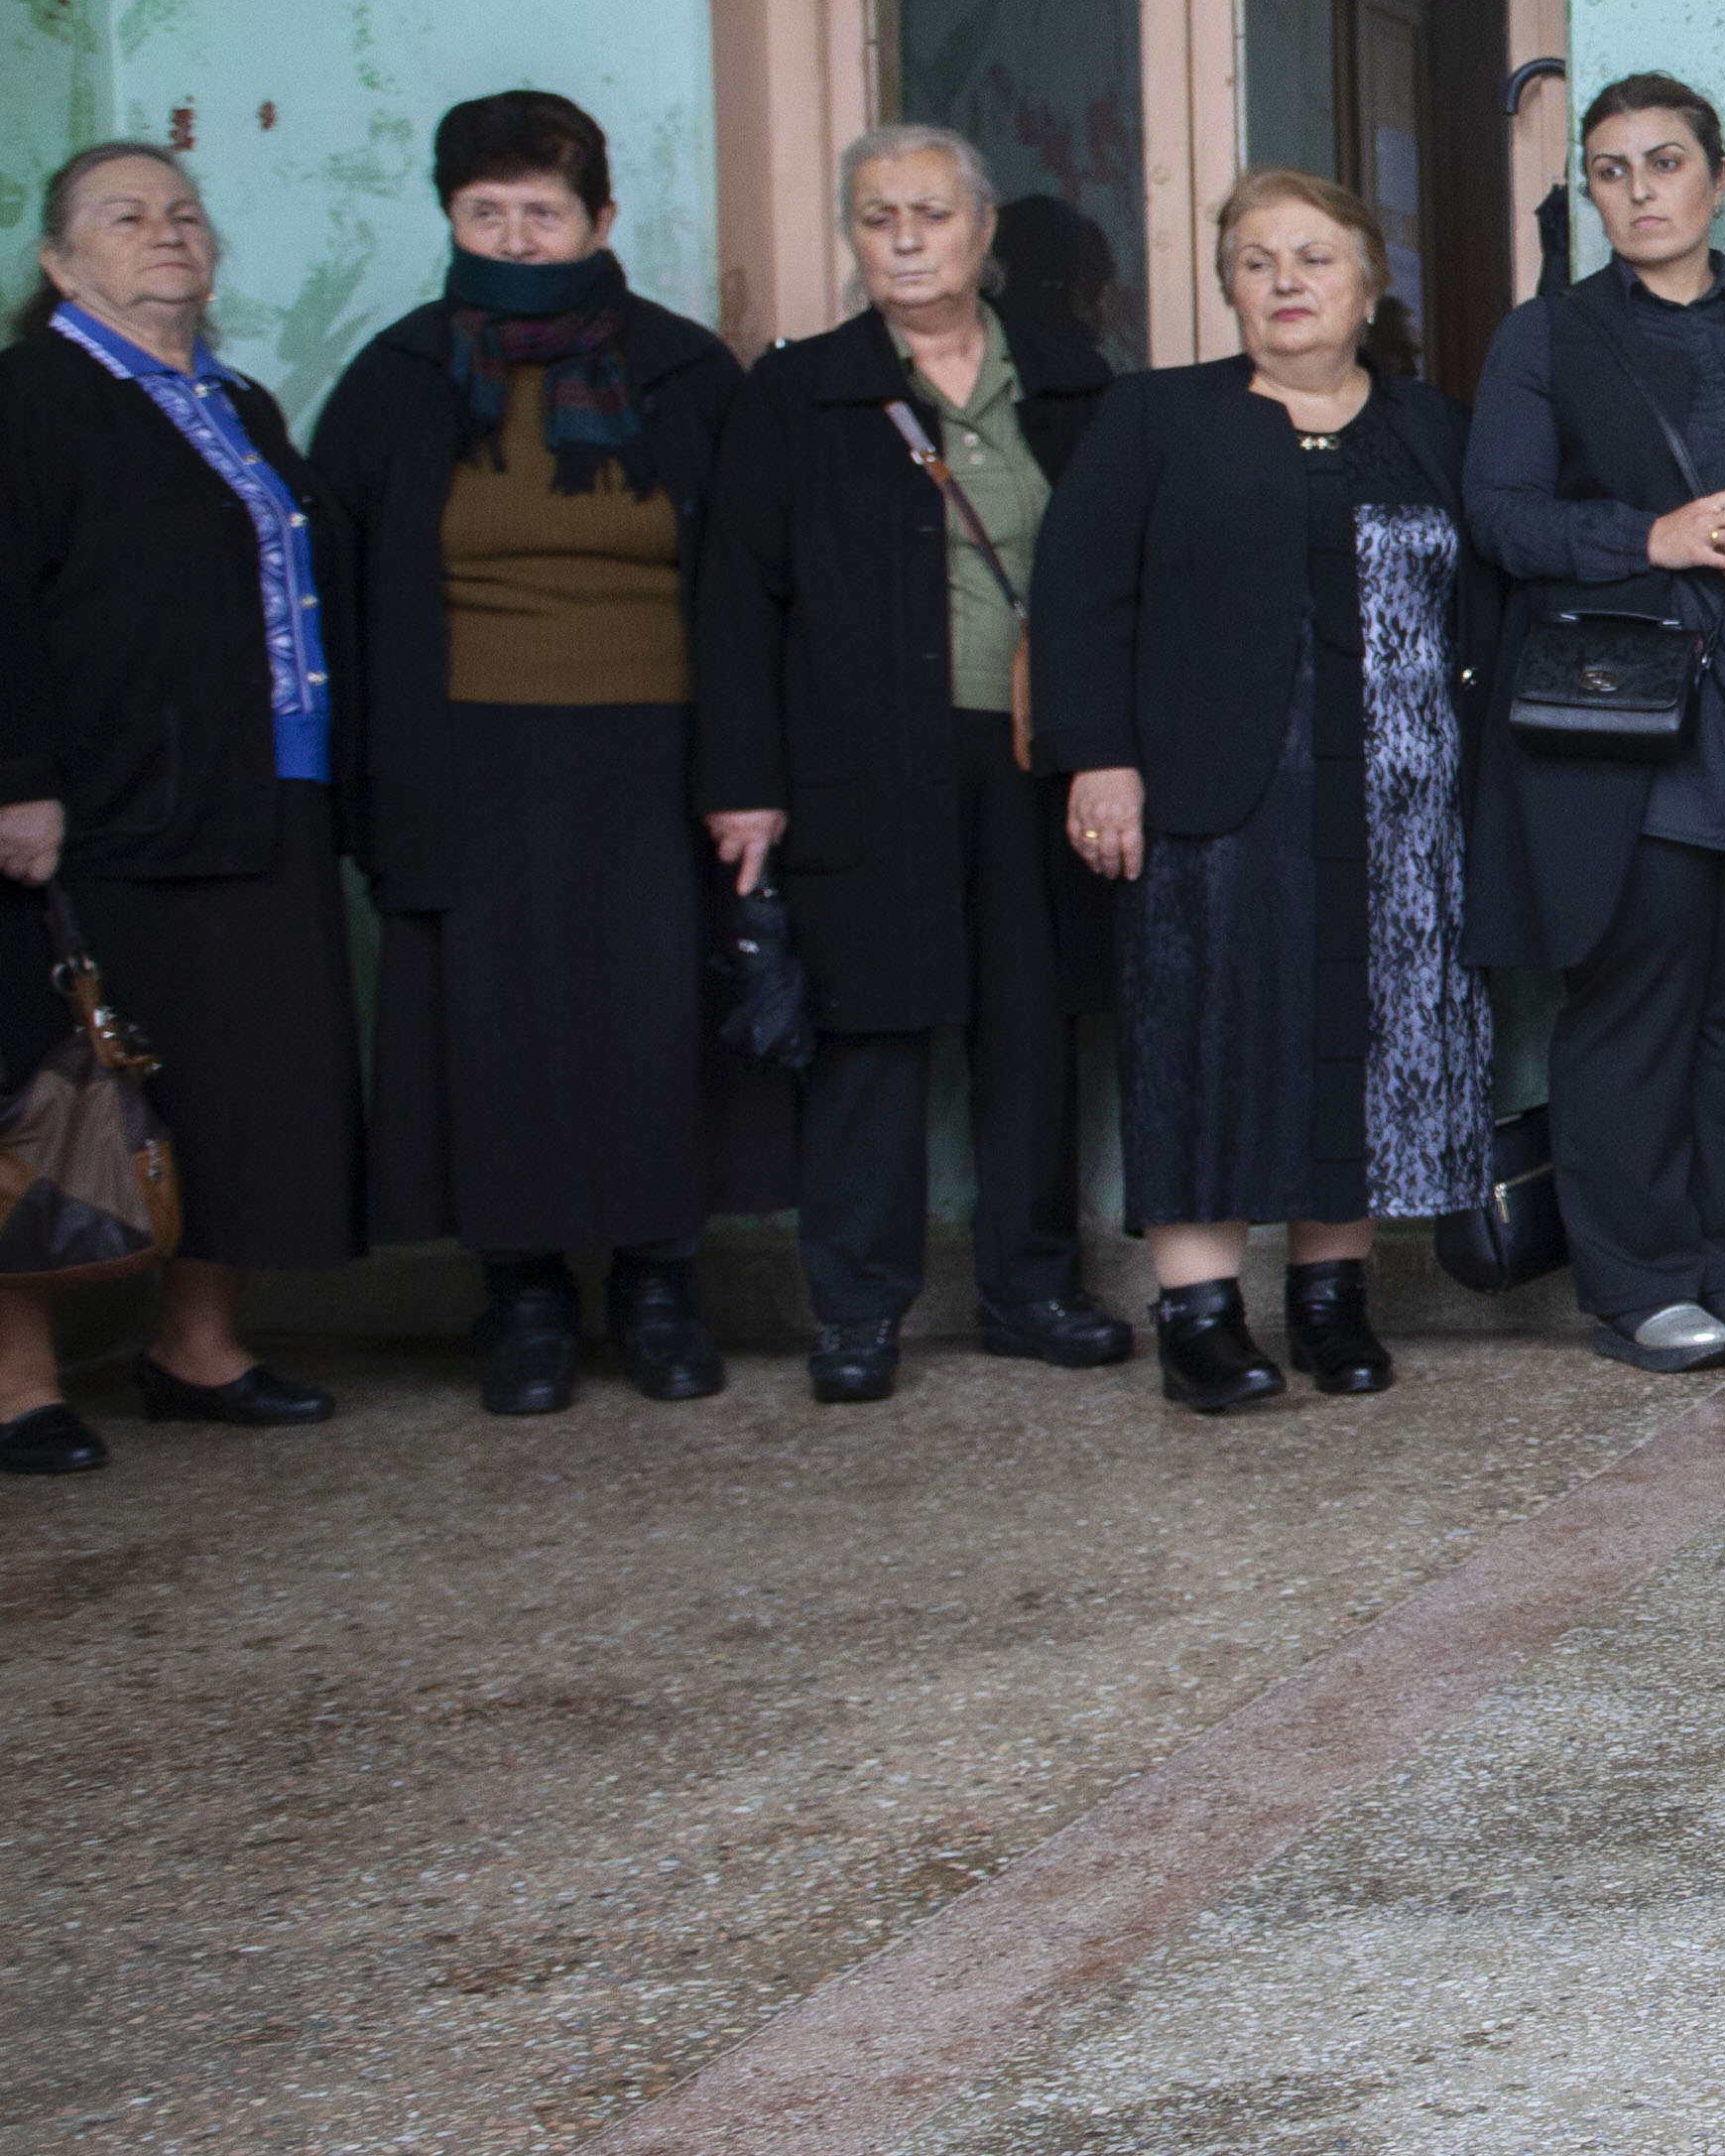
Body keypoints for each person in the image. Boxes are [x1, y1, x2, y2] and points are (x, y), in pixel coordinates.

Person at [311, 91, 781, 1416]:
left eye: (545, 212)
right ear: (450, 217)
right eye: (487, 213)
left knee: (653, 1022)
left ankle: (657, 1285)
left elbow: (751, 590)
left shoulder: (684, 374)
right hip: (462, 755)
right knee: (491, 1032)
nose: (517, 239)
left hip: (655, 758)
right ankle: (520, 1295)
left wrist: (744, 773)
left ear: (601, 219)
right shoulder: (400, 378)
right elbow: (338, 589)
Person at [1042, 171, 1500, 1413]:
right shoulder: (1155, 417)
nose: (1286, 282)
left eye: (1315, 258)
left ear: (1370, 285)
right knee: (1209, 1036)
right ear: (1229, 288)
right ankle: (1199, 1317)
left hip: (1403, 805)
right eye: (1257, 261)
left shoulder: (1431, 425)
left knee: (1362, 1036)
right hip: (1217, 799)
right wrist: (1099, 759)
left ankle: (1329, 1300)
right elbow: (1080, 595)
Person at [692, 126, 1127, 1404]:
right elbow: (736, 600)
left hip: (1035, 759)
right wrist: (743, 783)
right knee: (867, 1037)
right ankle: (857, 1310)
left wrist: (1114, 747)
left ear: (982, 233)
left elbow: (1120, 577)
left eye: (931, 214)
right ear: (854, 237)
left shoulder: (1069, 381)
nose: (905, 239)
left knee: (1030, 1030)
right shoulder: (799, 392)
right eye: (878, 217)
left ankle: (1032, 1291)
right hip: (860, 758)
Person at [1465, 73, 1725, 1375]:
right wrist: (1652, 535)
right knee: (1633, 1006)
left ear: (1718, 175)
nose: (1640, 191)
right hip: (1622, 730)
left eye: (1664, 162)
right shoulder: (1548, 338)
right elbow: (1501, 516)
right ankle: (1637, 1283)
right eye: (1611, 170)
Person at [0, 147, 353, 1470]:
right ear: (59, 263)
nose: (166, 233)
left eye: (185, 214)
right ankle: (18, 1384)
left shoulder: (236, 400)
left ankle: (196, 1350)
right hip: (99, 805)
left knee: (244, 1084)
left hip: (261, 790)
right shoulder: (28, 397)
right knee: (51, 1087)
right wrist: (16, 780)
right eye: (127, 216)